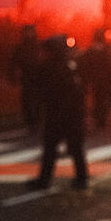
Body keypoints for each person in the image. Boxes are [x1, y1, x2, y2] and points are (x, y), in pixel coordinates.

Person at [27, 35, 88, 191]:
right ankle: (81, 179)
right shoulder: (70, 66)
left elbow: (37, 86)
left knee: (52, 149)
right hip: (71, 115)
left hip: (58, 114)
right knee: (73, 148)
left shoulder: (50, 68)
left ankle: (45, 180)